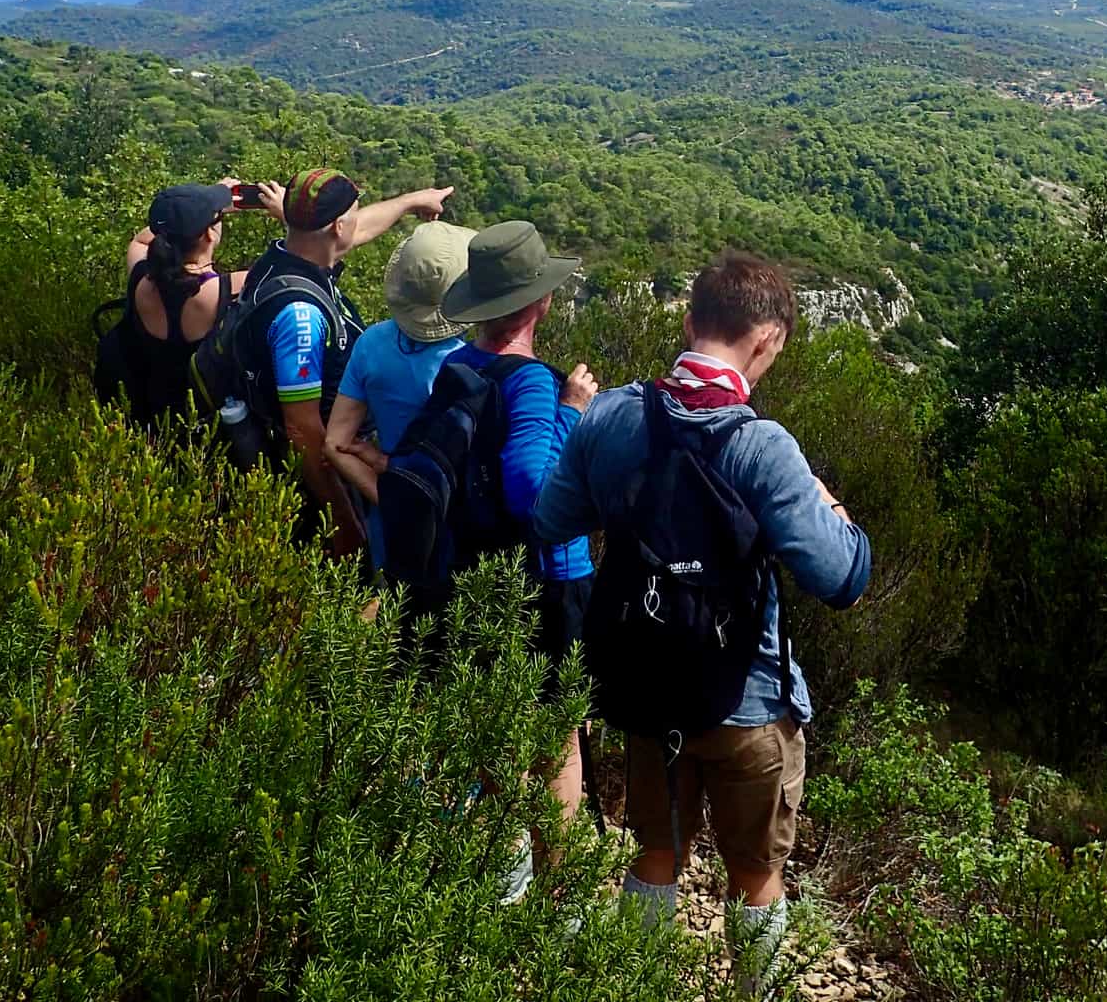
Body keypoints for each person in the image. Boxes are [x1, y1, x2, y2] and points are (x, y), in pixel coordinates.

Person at [535, 251, 870, 999]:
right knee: (756, 873)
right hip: (746, 702)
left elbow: (553, 518)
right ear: (770, 340)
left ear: (689, 323)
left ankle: (639, 987)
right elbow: (843, 578)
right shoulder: (763, 446)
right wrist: (833, 506)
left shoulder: (616, 416)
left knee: (656, 851)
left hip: (648, 693)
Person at [438, 220, 600, 826]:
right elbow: (533, 489)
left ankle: (501, 882)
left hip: (475, 570)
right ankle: (547, 893)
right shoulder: (532, 381)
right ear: (541, 302)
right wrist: (573, 412)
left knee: (493, 728)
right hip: (543, 581)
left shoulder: (458, 364)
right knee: (556, 736)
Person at [239, 167, 452, 558]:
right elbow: (301, 428)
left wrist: (411, 201)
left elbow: (361, 227)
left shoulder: (288, 258)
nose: (360, 217)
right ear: (337, 227)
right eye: (354, 211)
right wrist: (342, 519)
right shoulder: (299, 315)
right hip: (319, 474)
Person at [324, 220, 477, 570]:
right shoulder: (466, 363)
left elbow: (335, 443)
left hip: (390, 514)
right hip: (454, 517)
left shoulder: (372, 343)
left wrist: (392, 501)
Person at [117, 177, 283, 426]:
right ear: (209, 234)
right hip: (203, 425)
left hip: (143, 417)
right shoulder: (227, 289)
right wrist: (286, 215)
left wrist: (190, 210)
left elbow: (141, 240)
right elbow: (304, 262)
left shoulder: (140, 277)